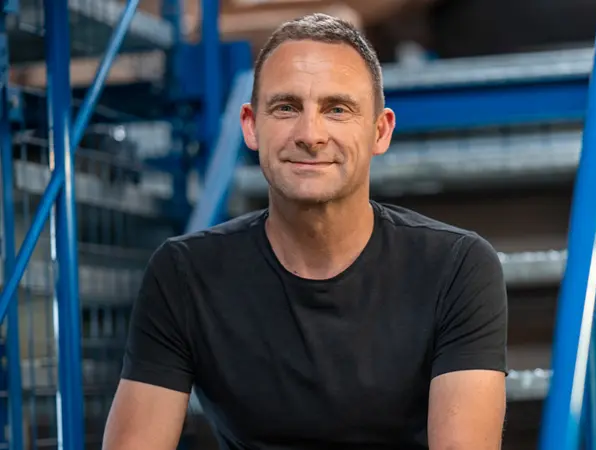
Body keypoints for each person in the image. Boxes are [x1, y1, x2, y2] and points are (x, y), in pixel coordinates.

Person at [103, 13, 507, 450]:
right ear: (250, 125)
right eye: (286, 107)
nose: (310, 135)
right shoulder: (184, 273)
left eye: (337, 109)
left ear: (380, 131)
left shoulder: (455, 267)